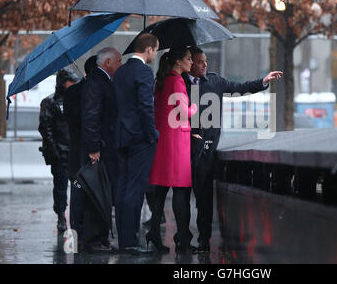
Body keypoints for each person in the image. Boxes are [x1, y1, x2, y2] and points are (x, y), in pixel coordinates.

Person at [184, 46, 282, 253]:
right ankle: (182, 239)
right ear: (190, 63)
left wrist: (263, 81)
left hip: (206, 150)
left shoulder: (215, 81)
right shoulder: (179, 83)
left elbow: (240, 88)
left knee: (203, 198)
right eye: (200, 61)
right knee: (181, 196)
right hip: (182, 148)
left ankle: (203, 241)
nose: (205, 65)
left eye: (206, 61)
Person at [147, 47, 198, 254]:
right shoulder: (177, 81)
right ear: (178, 62)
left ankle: (153, 233)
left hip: (163, 141)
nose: (191, 63)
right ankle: (183, 239)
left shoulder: (161, 81)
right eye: (188, 59)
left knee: (161, 189)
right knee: (180, 189)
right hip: (177, 142)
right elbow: (184, 113)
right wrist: (195, 107)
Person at [112, 34, 160, 255]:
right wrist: (153, 134)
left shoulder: (120, 71)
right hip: (140, 139)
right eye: (155, 50)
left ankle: (124, 239)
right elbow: (145, 107)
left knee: (122, 188)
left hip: (120, 137)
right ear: (148, 49)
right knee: (136, 189)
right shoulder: (144, 72)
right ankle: (131, 242)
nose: (155, 55)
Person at [81, 47, 121, 253]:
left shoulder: (100, 80)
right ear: (107, 63)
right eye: (119, 61)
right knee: (98, 194)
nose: (120, 65)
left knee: (104, 194)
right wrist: (94, 148)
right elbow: (91, 118)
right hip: (100, 149)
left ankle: (101, 238)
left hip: (105, 147)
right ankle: (94, 240)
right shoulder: (97, 82)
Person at [38, 68, 80, 233]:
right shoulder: (50, 102)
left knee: (78, 185)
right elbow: (45, 127)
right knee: (61, 186)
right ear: (63, 83)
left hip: (75, 150)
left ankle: (77, 215)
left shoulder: (77, 99)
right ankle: (61, 215)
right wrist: (53, 150)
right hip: (60, 151)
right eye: (71, 81)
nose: (74, 84)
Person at [63, 55, 97, 244]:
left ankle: (77, 233)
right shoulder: (91, 91)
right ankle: (88, 235)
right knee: (87, 194)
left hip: (76, 151)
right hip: (87, 151)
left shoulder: (71, 93)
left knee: (77, 193)